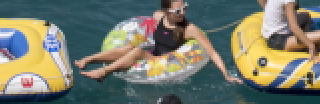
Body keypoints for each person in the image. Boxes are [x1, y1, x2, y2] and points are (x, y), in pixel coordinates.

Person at [78, 0, 232, 82]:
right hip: (153, 55)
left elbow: (212, 52)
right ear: (166, 12)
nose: (182, 13)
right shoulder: (159, 17)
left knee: (137, 51)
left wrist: (226, 75)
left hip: (166, 61)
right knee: (130, 47)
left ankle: (103, 72)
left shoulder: (189, 29)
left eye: (185, 7)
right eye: (178, 11)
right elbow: (153, 18)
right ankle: (89, 59)